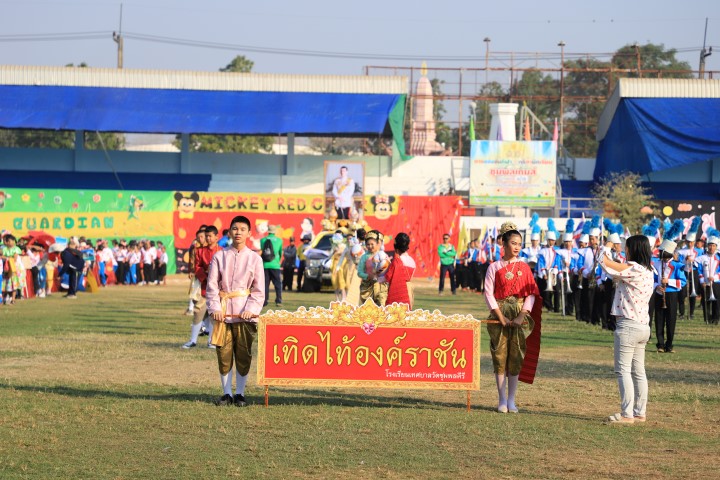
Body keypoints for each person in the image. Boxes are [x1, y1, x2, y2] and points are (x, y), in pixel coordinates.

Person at [482, 222, 542, 414]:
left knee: (516, 355)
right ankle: (501, 399)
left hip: (518, 314)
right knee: (499, 355)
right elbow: (488, 293)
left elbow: (531, 293)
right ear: (504, 243)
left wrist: (521, 315)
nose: (517, 247)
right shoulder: (494, 267)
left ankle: (511, 400)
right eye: (513, 243)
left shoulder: (524, 267)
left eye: (519, 244)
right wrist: (500, 317)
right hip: (499, 313)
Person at [206, 215, 265, 407]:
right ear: (229, 231)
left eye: (242, 229)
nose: (238, 232)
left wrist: (251, 309)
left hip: (244, 314)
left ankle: (240, 393)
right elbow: (212, 286)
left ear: (249, 233)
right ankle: (227, 393)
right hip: (223, 313)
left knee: (243, 353)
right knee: (223, 352)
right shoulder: (219, 256)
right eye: (235, 228)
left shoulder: (255, 258)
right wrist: (215, 308)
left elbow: (259, 290)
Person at [598, 235, 654, 424]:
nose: (625, 251)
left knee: (623, 370)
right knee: (638, 371)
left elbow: (606, 265)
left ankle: (627, 414)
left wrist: (607, 246)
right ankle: (639, 412)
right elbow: (614, 269)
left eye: (627, 248)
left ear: (634, 250)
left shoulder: (634, 268)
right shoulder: (648, 270)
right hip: (642, 325)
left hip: (629, 325)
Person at [183, 226, 222, 349]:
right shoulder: (200, 251)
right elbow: (197, 267)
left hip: (218, 290)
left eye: (210, 236)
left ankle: (211, 341)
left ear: (216, 237)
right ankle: (193, 340)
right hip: (204, 288)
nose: (208, 238)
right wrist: (205, 276)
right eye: (207, 236)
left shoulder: (222, 252)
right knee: (198, 313)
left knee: (214, 315)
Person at [385, 232, 416, 308]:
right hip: (409, 290)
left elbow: (388, 277)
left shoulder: (397, 261)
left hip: (399, 290)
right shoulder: (412, 261)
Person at [358, 230, 388, 306]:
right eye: (368, 244)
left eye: (372, 244)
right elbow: (359, 272)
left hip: (380, 286)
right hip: (367, 287)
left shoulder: (383, 255)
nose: (370, 246)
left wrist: (381, 273)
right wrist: (368, 276)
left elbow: (387, 268)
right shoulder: (364, 257)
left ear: (377, 244)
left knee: (381, 307)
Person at [697, 230, 720, 325]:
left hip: (716, 283)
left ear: (716, 247)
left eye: (713, 246)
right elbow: (699, 270)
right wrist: (702, 280)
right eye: (710, 245)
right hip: (705, 283)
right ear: (707, 246)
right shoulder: (702, 258)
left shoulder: (718, 258)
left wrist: (714, 277)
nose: (711, 247)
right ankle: (707, 318)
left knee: (717, 301)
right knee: (706, 301)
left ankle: (716, 318)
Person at [262, 225, 283, 307]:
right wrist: (277, 261)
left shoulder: (263, 240)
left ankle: (265, 301)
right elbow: (280, 253)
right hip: (275, 265)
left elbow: (263, 251)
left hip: (265, 265)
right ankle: (278, 300)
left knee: (265, 284)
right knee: (277, 284)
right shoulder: (279, 240)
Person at [2, 235, 22, 304]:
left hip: (14, 268)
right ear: (6, 242)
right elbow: (2, 256)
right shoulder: (4, 249)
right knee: (6, 283)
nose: (12, 242)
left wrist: (7, 258)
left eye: (13, 241)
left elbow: (15, 258)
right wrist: (7, 258)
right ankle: (6, 297)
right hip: (7, 269)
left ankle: (13, 299)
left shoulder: (16, 249)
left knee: (14, 284)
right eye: (10, 241)